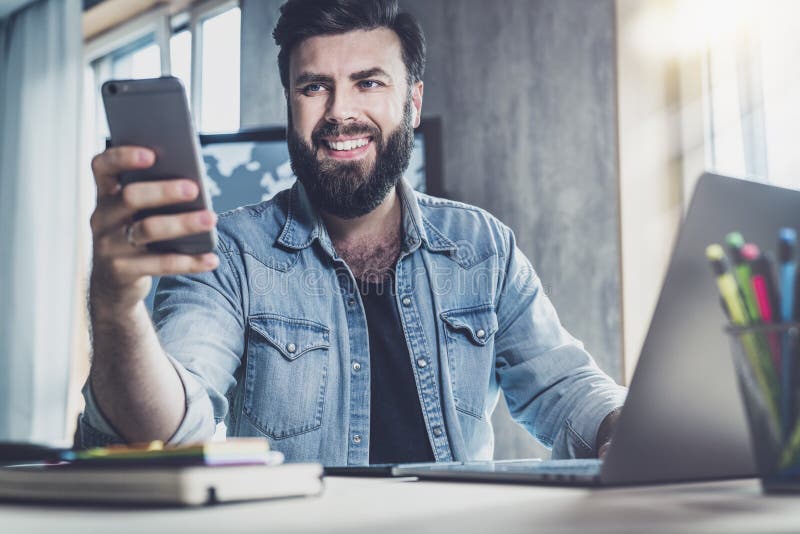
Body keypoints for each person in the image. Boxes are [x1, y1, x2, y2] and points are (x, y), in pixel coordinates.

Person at [79, 0, 626, 465]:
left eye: (368, 82)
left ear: (411, 103)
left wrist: (628, 428)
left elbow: (565, 389)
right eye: (314, 87)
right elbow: (166, 429)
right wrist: (116, 307)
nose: (340, 113)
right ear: (290, 105)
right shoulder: (230, 254)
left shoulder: (483, 246)